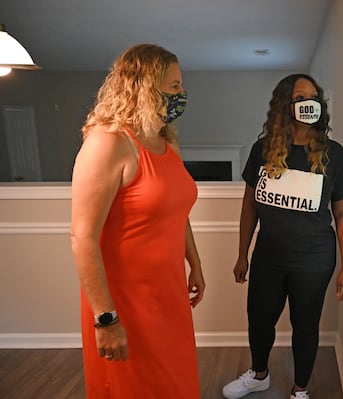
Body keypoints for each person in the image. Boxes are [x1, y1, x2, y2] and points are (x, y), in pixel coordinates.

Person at [70, 44, 205, 399]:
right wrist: (106, 319)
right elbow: (82, 237)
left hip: (168, 295)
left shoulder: (166, 143)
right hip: (124, 302)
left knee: (175, 385)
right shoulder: (108, 143)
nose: (182, 94)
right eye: (174, 86)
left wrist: (195, 261)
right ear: (144, 85)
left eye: (181, 86)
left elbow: (176, 210)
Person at [222, 73, 343, 399]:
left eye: (313, 97)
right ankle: (259, 375)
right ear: (285, 104)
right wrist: (242, 254)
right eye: (299, 98)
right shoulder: (263, 150)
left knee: (305, 326)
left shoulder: (333, 155)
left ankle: (300, 390)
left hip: (314, 260)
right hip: (269, 255)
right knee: (259, 320)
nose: (307, 103)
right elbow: (249, 208)